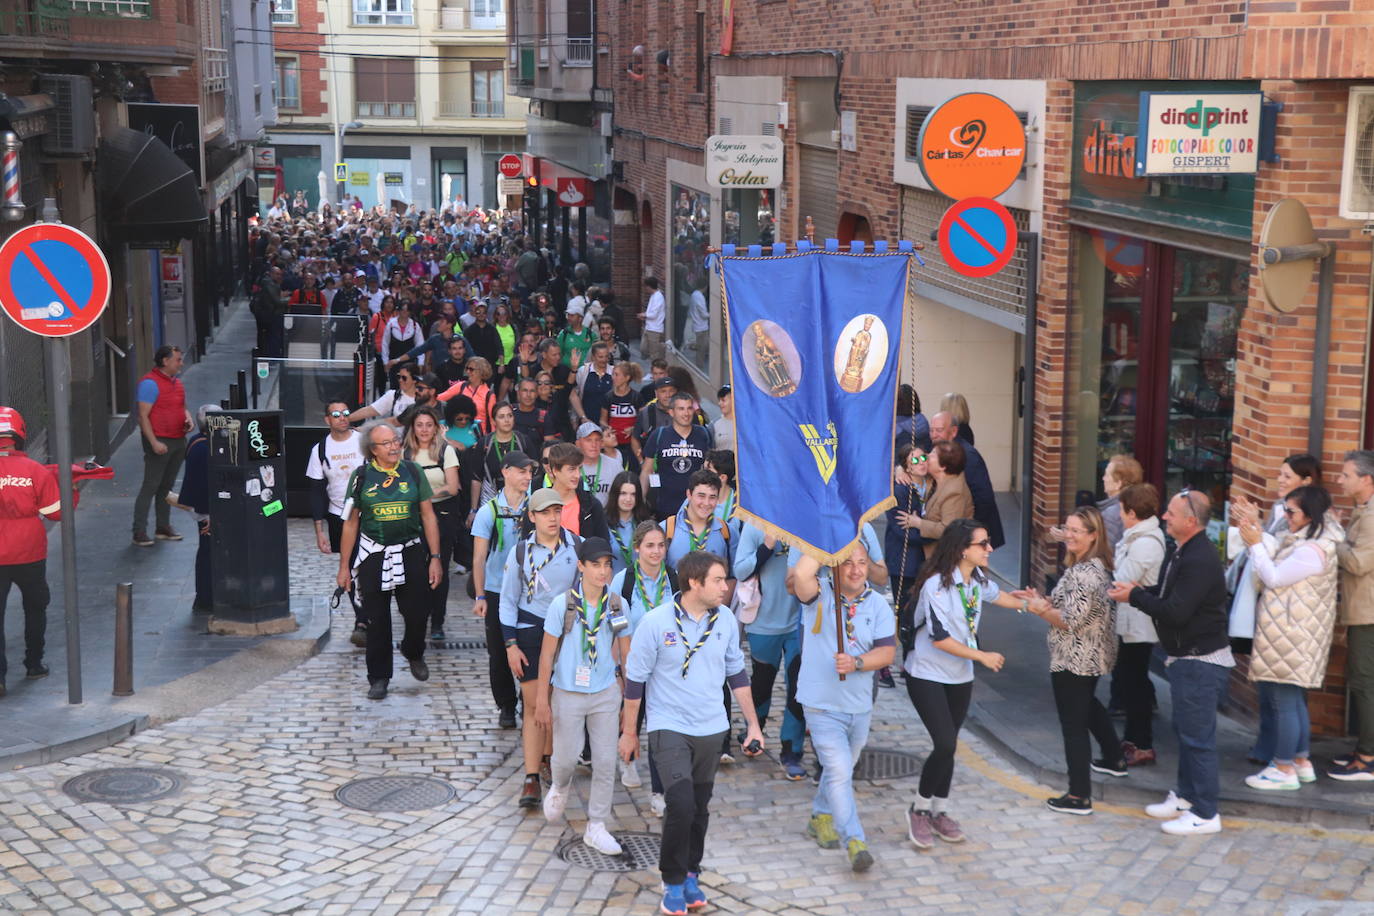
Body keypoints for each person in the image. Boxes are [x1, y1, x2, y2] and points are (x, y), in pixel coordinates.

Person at [620, 551, 764, 916]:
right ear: (694, 583)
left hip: (711, 728)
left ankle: (690, 874)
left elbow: (737, 674)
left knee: (699, 808)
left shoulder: (727, 619)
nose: (725, 586)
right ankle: (670, 881)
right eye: (718, 580)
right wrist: (629, 733)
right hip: (668, 726)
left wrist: (753, 725)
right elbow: (635, 681)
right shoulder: (655, 622)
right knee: (680, 802)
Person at [1108, 491, 1230, 835]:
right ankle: (1186, 798)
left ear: (1191, 521)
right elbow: (1167, 596)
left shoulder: (1198, 559)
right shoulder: (1185, 550)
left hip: (1199, 659)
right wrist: (1139, 591)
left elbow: (1176, 611)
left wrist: (1134, 594)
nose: (1164, 517)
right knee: (1186, 731)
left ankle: (1206, 813)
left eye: (1172, 513)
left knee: (1197, 737)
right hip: (1186, 656)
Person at [903, 519, 1024, 848]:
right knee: (944, 743)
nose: (989, 549)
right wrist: (981, 655)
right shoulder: (936, 586)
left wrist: (1031, 604)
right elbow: (939, 638)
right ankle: (919, 809)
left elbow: (1000, 597)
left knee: (951, 746)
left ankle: (939, 811)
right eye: (982, 544)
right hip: (927, 673)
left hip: (960, 676)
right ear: (961, 549)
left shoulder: (976, 580)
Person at [788, 544, 893, 871]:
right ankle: (855, 840)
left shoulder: (877, 604)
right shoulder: (818, 594)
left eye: (861, 563)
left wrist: (858, 662)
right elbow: (801, 575)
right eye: (847, 563)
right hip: (820, 705)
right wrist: (830, 541)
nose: (856, 569)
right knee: (838, 770)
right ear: (834, 565)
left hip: (859, 706)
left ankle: (820, 815)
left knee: (841, 771)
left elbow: (887, 653)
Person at [1235, 484, 1341, 791]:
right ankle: (1300, 761)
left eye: (1291, 511)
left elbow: (1274, 577)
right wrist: (1254, 527)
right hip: (1294, 634)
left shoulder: (1311, 550)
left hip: (1292, 635)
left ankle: (1282, 767)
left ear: (1310, 514)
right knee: (1293, 702)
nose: (1286, 516)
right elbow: (1275, 550)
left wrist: (1254, 543)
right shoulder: (1310, 539)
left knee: (1284, 702)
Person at [1021, 506, 1120, 816]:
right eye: (1068, 528)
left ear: (1093, 535)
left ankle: (1079, 795)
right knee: (1088, 706)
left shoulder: (1083, 575)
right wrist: (1043, 599)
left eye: (1078, 531)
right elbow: (1072, 607)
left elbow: (1070, 621)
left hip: (1074, 659)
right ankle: (1115, 757)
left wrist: (1039, 609)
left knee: (1073, 726)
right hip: (1089, 657)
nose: (1070, 535)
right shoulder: (1094, 566)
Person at [535, 537, 631, 857]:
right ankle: (560, 786)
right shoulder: (563, 605)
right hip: (568, 691)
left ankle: (597, 825)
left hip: (605, 691)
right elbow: (547, 655)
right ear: (581, 566)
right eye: (595, 565)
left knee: (605, 760)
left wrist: (628, 695)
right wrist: (541, 701)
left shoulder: (617, 604)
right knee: (565, 758)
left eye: (607, 565)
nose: (603, 572)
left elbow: (626, 651)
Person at [336, 421, 444, 701]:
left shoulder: (412, 471)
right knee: (377, 619)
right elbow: (350, 524)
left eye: (395, 440)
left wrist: (435, 557)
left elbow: (428, 515)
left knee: (418, 612)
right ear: (373, 450)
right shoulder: (361, 477)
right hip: (373, 554)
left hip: (410, 551)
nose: (395, 446)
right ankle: (379, 677)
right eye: (387, 443)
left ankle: (413, 650)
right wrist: (344, 566)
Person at [500, 487, 583, 808]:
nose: (552, 518)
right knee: (535, 704)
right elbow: (507, 602)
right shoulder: (520, 553)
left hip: (567, 631)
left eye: (556, 511)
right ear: (531, 516)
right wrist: (510, 644)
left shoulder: (575, 545)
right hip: (531, 630)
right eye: (545, 513)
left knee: (560, 704)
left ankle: (550, 757)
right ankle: (531, 777)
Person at [1228, 453, 1320, 660]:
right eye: (1280, 474)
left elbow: (1276, 551)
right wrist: (1253, 523)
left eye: (1287, 476)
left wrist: (1255, 527)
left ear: (1306, 481)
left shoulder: (1310, 515)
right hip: (1268, 600)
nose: (1280, 480)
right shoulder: (1280, 507)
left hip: (1288, 609)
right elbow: (1267, 544)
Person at [608, 520, 677, 798]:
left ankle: (660, 790)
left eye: (661, 545)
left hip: (667, 667)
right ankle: (628, 760)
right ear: (637, 549)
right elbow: (614, 631)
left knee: (661, 726)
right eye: (649, 546)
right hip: (633, 664)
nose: (656, 551)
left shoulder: (675, 579)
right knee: (631, 716)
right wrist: (617, 672)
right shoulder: (622, 582)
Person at [733, 520, 807, 780]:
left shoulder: (804, 523)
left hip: (800, 621)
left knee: (798, 688)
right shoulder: (755, 526)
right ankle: (754, 730)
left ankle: (792, 750)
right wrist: (766, 545)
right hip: (763, 623)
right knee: (761, 684)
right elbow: (740, 570)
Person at [471, 452, 534, 730]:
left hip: (530, 591)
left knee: (529, 646)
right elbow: (478, 557)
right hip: (497, 590)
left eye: (530, 471)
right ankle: (506, 705)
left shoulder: (536, 506)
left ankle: (528, 698)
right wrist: (481, 595)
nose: (527, 477)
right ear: (506, 472)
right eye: (521, 471)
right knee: (498, 652)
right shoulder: (489, 511)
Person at [0, 408, 61, 693]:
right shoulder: (35, 471)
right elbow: (55, 513)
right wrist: (69, 488)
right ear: (20, 434)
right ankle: (34, 663)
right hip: (30, 551)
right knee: (36, 608)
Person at [1111, 483, 1165, 767]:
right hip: (1132, 620)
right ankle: (1133, 739)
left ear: (1132, 512)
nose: (1119, 515)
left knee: (1136, 684)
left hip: (1139, 623)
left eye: (1121, 510)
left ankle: (1142, 744)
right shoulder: (1138, 537)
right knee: (1131, 681)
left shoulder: (1144, 542)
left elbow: (1123, 577)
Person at [1333, 450, 1374, 780]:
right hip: (1362, 610)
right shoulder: (1362, 510)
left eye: (1345, 475)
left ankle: (1368, 758)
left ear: (1366, 479)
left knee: (1363, 682)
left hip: (1369, 613)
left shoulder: (1372, 516)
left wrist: (1335, 540)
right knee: (1360, 680)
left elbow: (1359, 563)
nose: (1339, 480)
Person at [403, 407, 461, 641]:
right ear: (413, 428)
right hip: (413, 517)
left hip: (442, 515)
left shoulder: (446, 451)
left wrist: (424, 496)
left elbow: (453, 486)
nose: (424, 430)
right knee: (415, 570)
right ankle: (417, 617)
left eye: (429, 425)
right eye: (420, 425)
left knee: (440, 567)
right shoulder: (405, 453)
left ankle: (437, 621)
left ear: (436, 428)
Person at [133, 345, 193, 547]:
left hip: (177, 439)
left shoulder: (177, 383)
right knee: (150, 486)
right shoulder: (150, 384)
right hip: (160, 440)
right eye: (177, 359)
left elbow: (182, 407)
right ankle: (139, 530)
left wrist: (188, 419)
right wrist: (153, 442)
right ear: (165, 361)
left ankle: (163, 526)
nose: (181, 363)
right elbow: (142, 416)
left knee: (166, 486)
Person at [930, 410, 1004, 550]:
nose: (934, 435)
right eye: (931, 430)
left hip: (970, 537)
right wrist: (901, 470)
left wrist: (969, 533)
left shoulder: (967, 456)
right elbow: (917, 459)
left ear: (953, 431)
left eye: (939, 430)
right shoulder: (939, 448)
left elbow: (984, 498)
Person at [641, 393, 713, 520]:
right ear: (671, 412)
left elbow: (712, 469)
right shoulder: (659, 435)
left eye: (689, 408)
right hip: (664, 507)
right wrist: (640, 501)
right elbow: (647, 470)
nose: (686, 413)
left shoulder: (703, 434)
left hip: (697, 507)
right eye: (681, 409)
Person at [902, 440, 972, 557]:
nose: (927, 456)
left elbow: (948, 529)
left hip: (946, 559)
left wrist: (919, 523)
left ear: (942, 467)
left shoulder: (954, 492)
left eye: (933, 454)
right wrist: (900, 470)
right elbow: (909, 464)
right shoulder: (936, 477)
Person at [888, 443, 932, 628]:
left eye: (923, 457)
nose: (921, 462)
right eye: (914, 460)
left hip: (927, 560)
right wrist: (935, 532)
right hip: (904, 564)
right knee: (907, 614)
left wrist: (923, 526)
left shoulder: (933, 484)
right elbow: (902, 531)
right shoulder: (900, 490)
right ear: (907, 467)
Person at [540, 442, 611, 542]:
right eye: (571, 469)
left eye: (580, 468)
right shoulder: (538, 505)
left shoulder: (592, 505)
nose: (577, 475)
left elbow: (604, 548)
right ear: (555, 470)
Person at [604, 471, 652, 576]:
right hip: (611, 587)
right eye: (623, 493)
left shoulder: (646, 524)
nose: (628, 499)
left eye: (633, 494)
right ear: (615, 495)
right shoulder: (603, 524)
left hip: (640, 587)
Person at [436, 357, 496, 434]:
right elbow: (438, 398)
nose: (468, 371)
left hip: (480, 438)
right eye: (467, 368)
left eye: (471, 369)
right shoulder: (461, 386)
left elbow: (493, 422)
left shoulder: (489, 395)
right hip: (458, 433)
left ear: (481, 372)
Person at [601, 361, 642, 472]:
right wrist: (607, 428)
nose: (613, 377)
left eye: (617, 374)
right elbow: (602, 420)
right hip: (614, 444)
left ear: (627, 377)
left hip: (632, 444)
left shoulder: (636, 397)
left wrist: (633, 428)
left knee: (633, 471)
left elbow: (643, 420)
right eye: (613, 374)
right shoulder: (608, 396)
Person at [348, 365, 419, 426]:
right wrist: (346, 419)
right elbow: (369, 410)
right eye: (398, 376)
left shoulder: (422, 398)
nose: (400, 380)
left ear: (414, 380)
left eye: (404, 378)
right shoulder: (393, 395)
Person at [574, 421, 623, 508]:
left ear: (602, 443)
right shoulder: (571, 467)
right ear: (578, 444)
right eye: (588, 440)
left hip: (607, 518)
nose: (594, 445)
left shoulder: (615, 466)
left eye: (597, 440)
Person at [572, 342, 614, 431]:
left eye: (606, 356)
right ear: (593, 357)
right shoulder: (583, 372)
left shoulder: (614, 372)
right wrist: (582, 417)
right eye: (600, 357)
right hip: (586, 422)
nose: (604, 360)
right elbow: (574, 395)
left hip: (609, 425)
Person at [638, 276, 666, 361]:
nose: (645, 289)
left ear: (649, 286)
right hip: (649, 327)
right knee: (643, 348)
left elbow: (654, 314)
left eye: (645, 286)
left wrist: (644, 315)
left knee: (654, 354)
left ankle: (656, 368)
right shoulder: (653, 296)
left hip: (655, 329)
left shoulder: (658, 297)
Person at [711, 385, 735, 454]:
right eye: (719, 400)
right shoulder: (714, 425)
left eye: (723, 400)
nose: (720, 403)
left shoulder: (745, 423)